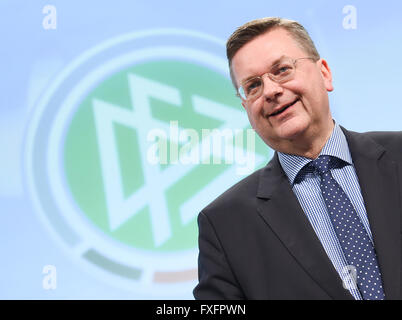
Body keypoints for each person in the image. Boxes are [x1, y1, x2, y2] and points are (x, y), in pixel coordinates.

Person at [193, 17, 402, 300]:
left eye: (282, 70)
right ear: (246, 107)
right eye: (253, 86)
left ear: (325, 73)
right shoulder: (224, 225)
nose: (270, 91)